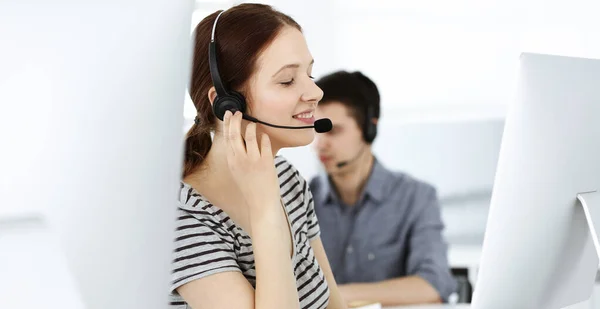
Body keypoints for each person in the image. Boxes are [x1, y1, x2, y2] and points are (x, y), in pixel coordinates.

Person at [170, 4, 346, 309]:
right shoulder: (184, 218)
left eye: (309, 73)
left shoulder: (287, 179)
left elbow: (334, 304)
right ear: (226, 103)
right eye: (288, 80)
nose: (315, 92)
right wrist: (264, 208)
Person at [309, 71, 457, 307]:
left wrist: (335, 295)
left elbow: (433, 284)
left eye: (333, 131)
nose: (320, 143)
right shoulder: (299, 199)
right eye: (316, 129)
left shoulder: (416, 197)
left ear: (369, 128)